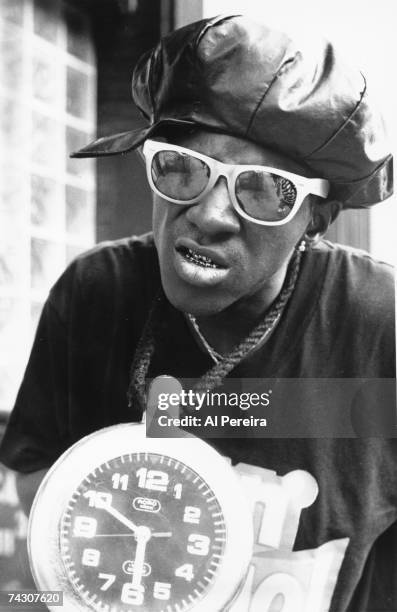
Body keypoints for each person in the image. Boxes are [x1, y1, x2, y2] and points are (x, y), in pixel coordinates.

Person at [0, 14, 395, 612]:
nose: (209, 215)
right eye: (182, 170)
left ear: (314, 218)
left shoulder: (379, 324)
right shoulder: (95, 294)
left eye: (262, 189)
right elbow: (36, 477)